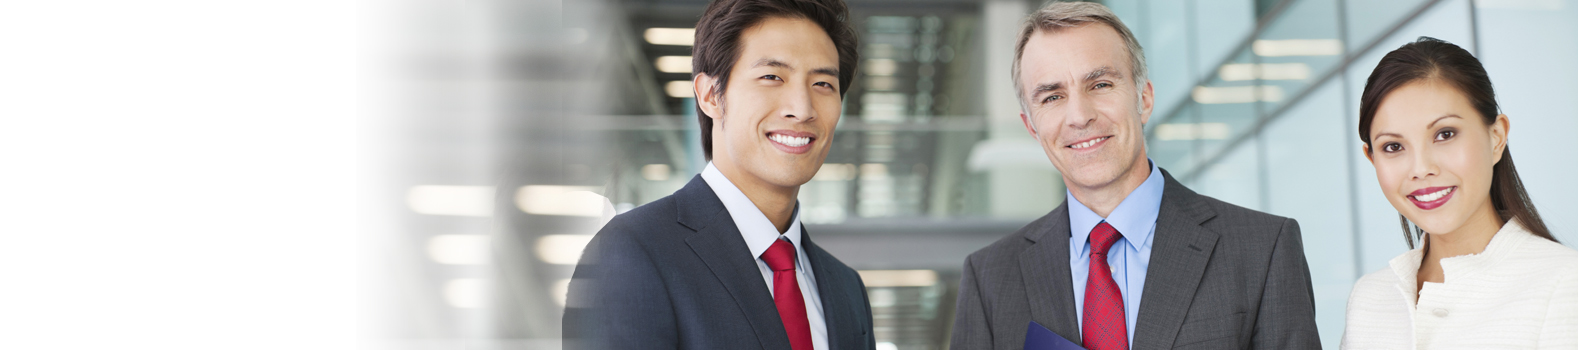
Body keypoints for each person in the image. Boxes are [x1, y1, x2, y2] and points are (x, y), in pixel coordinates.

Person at [949, 2, 1321, 349]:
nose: (1079, 116)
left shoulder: (1263, 249)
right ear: (1031, 126)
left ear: (1143, 99)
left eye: (1100, 85)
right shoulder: (990, 278)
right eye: (1052, 97)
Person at [561, 0, 873, 349]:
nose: (801, 109)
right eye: (772, 77)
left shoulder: (846, 288)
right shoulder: (631, 251)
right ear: (710, 95)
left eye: (823, 84)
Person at [1341, 37, 1577, 349]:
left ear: (1496, 137)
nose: (1421, 168)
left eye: (1445, 134)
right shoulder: (1370, 298)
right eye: (1393, 147)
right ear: (1372, 159)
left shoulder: (1565, 284)